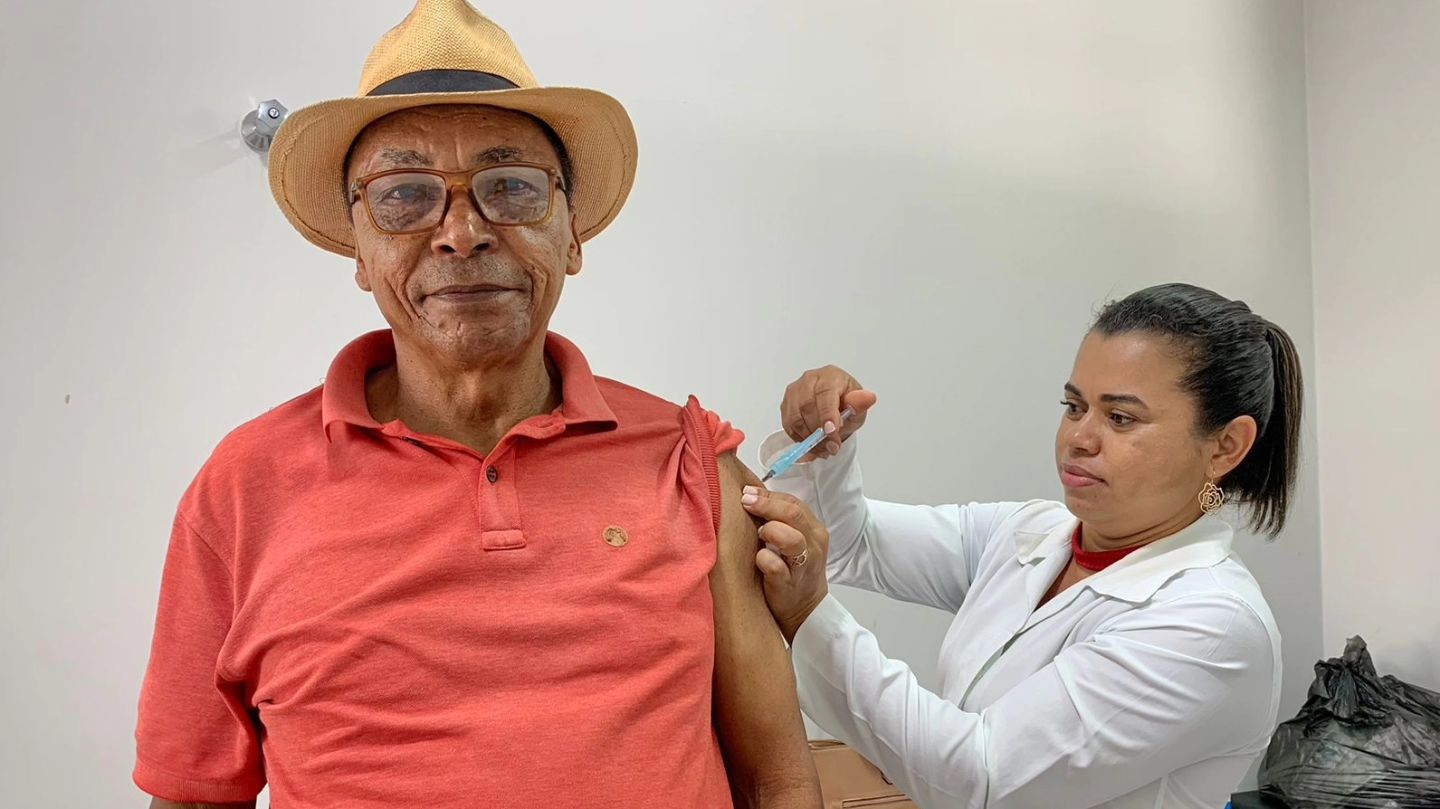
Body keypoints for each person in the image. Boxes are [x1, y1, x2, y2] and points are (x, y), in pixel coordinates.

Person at [132, 2, 820, 807]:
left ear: (572, 235)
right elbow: (192, 794)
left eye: (512, 187)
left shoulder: (688, 458)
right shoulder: (244, 487)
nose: (462, 232)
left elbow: (779, 779)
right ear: (359, 250)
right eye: (403, 195)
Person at [740, 283, 1301, 809]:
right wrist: (820, 445)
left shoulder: (1211, 624)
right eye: (1074, 406)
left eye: (1121, 418)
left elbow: (979, 777)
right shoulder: (1030, 533)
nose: (1079, 438)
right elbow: (852, 544)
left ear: (1226, 446)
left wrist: (808, 613)